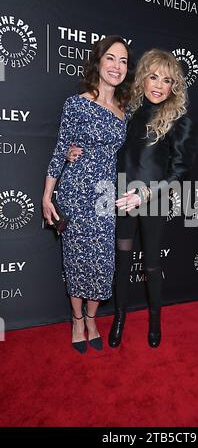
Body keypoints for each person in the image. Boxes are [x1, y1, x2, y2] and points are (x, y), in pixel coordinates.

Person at [68, 48, 198, 349]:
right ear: (143, 78)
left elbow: (179, 173)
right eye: (153, 76)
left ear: (173, 87)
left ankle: (155, 323)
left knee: (151, 265)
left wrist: (146, 194)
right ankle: (119, 320)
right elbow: (107, 147)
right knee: (122, 263)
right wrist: (74, 152)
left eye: (166, 80)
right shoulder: (130, 112)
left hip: (153, 199)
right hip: (122, 197)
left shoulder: (180, 120)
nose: (157, 85)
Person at [42, 35, 134, 354]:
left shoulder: (126, 109)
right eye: (111, 58)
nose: (117, 66)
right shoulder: (77, 103)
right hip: (76, 192)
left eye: (123, 61)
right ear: (98, 61)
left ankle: (93, 318)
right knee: (77, 261)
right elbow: (59, 150)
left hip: (106, 196)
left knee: (102, 264)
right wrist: (46, 196)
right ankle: (77, 319)